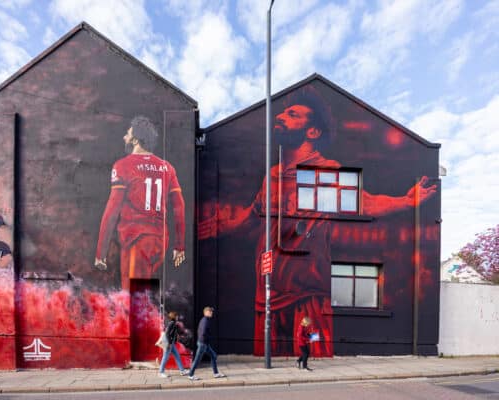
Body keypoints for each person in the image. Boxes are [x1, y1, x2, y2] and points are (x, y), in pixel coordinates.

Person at [198, 87, 437, 358]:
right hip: (267, 297)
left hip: (308, 294)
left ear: (312, 132)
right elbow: (250, 217)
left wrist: (405, 202)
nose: (283, 116)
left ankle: (305, 365)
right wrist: (215, 226)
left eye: (293, 114)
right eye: (285, 112)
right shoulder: (272, 176)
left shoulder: (325, 171)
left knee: (312, 349)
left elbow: (364, 201)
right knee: (268, 354)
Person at [95, 116, 186, 290]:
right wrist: (179, 245)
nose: (124, 137)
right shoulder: (167, 167)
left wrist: (101, 250)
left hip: (137, 239)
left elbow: (113, 208)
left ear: (135, 140)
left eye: (127, 134)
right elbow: (179, 207)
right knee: (145, 295)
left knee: (134, 299)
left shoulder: (123, 165)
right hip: (160, 241)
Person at [188, 306, 226, 380]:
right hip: (203, 343)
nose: (211, 312)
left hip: (204, 343)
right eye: (210, 311)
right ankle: (190, 375)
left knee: (213, 356)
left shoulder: (205, 320)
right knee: (197, 360)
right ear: (206, 312)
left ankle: (216, 373)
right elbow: (202, 333)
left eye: (212, 311)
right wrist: (204, 341)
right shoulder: (205, 320)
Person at [158, 311, 189, 378]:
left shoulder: (173, 323)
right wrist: (169, 343)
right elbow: (167, 333)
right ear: (174, 317)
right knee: (165, 357)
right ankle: (161, 372)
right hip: (170, 344)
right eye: (176, 316)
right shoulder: (171, 323)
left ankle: (182, 371)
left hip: (172, 344)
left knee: (177, 356)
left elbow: (172, 333)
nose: (177, 317)